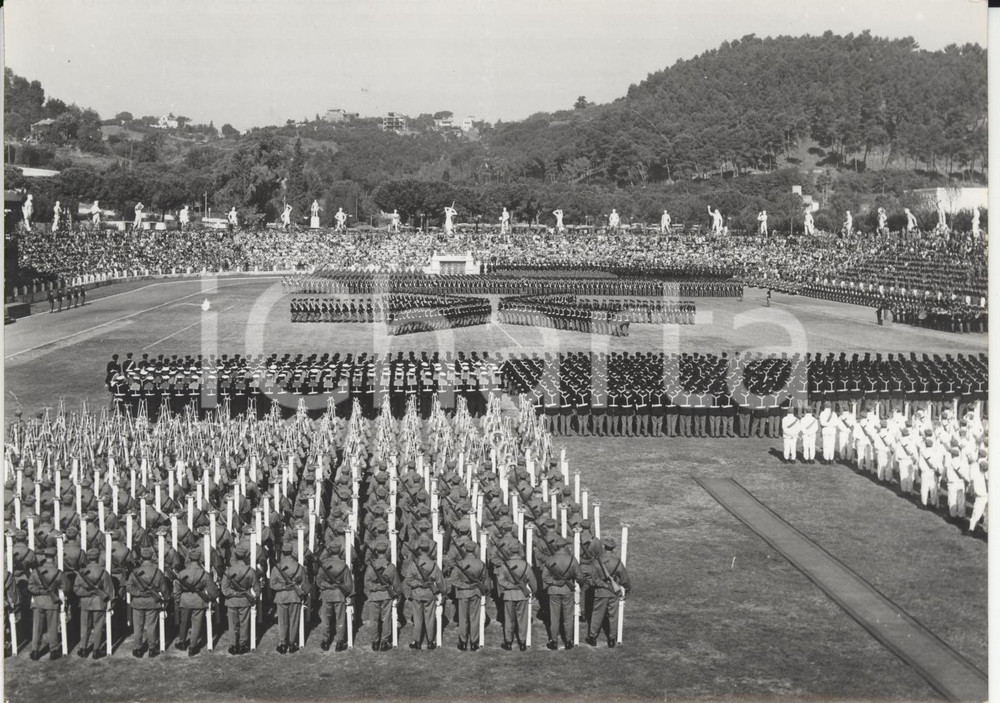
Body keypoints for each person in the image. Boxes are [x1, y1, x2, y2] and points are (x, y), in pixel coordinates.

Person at [173, 541, 219, 656]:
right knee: (196, 624)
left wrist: (178, 600)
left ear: (189, 558)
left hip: (185, 600)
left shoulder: (182, 573)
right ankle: (192, 647)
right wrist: (213, 597)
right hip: (199, 600)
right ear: (199, 559)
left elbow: (177, 589)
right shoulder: (204, 574)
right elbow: (212, 590)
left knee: (184, 622)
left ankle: (182, 642)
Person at [585, 537, 629, 648]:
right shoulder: (617, 562)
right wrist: (627, 589)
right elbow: (624, 579)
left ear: (604, 547)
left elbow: (594, 578)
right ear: (613, 548)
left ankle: (592, 637)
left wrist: (603, 585)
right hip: (613, 592)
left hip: (600, 592)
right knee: (613, 616)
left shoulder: (597, 560)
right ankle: (612, 639)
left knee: (597, 614)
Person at [403, 535, 444, 650]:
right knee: (430, 618)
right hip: (430, 594)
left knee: (417, 619)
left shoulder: (413, 564)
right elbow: (440, 581)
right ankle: (430, 642)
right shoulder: (433, 564)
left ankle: (417, 641)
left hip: (417, 593)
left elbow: (408, 580)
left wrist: (418, 583)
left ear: (420, 549)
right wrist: (442, 592)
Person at [126, 545, 168, 658]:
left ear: (141, 558)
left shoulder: (135, 571)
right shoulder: (157, 572)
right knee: (151, 626)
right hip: (152, 602)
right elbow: (164, 589)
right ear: (151, 557)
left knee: (138, 627)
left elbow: (128, 587)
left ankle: (138, 648)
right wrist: (166, 600)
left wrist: (139, 593)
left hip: (138, 602)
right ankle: (152, 649)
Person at [73, 547, 114, 660]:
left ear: (88, 558)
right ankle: (96, 650)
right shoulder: (103, 572)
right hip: (99, 602)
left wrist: (86, 593)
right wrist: (109, 602)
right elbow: (108, 589)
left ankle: (83, 649)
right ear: (98, 557)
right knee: (98, 627)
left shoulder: (82, 572)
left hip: (85, 603)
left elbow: (76, 588)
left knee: (84, 626)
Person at [27, 546, 67, 660]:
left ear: (45, 556)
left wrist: (40, 591)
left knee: (37, 628)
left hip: (38, 601)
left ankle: (35, 651)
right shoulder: (58, 572)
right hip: (51, 602)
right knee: (52, 627)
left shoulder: (36, 571)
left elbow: (30, 587)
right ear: (54, 557)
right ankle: (54, 650)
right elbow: (64, 587)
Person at [270, 540, 309, 654]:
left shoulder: (277, 567)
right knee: (294, 621)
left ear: (282, 552)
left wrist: (283, 586)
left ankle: (283, 644)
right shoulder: (298, 566)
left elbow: (272, 584)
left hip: (281, 597)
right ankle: (292, 643)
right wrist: (304, 593)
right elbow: (305, 583)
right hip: (294, 596)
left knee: (282, 622)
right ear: (291, 552)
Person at [314, 541, 353, 652]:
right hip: (339, 595)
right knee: (340, 619)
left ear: (329, 551)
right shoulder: (343, 565)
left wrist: (328, 586)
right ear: (340, 551)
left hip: (326, 595)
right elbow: (349, 585)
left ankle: (325, 641)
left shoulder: (324, 564)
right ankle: (340, 642)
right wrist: (340, 588)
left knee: (326, 619)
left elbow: (318, 581)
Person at [364, 537, 401, 651]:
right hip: (386, 595)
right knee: (386, 619)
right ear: (386, 551)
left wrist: (376, 588)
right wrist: (397, 595)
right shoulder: (391, 566)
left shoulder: (371, 566)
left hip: (374, 596)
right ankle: (384, 642)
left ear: (376, 551)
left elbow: (367, 582)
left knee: (374, 620)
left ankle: (375, 642)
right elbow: (396, 584)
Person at [450, 539, 487, 651]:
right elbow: (485, 579)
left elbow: (454, 580)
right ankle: (474, 643)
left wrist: (465, 586)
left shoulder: (460, 564)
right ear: (474, 550)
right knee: (474, 618)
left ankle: (463, 642)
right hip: (476, 592)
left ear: (465, 550)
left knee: (463, 618)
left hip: (463, 593)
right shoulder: (480, 563)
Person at [496, 545, 536, 651]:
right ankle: (522, 643)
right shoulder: (525, 565)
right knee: (523, 619)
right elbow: (532, 581)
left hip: (509, 594)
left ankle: (508, 642)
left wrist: (511, 586)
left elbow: (501, 581)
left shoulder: (505, 565)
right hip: (522, 595)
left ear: (510, 552)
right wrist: (533, 591)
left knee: (509, 619)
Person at [542, 537, 579, 650]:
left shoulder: (550, 559)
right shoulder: (572, 559)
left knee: (554, 617)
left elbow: (544, 576)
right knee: (568, 617)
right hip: (567, 589)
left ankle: (554, 641)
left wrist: (555, 582)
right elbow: (579, 575)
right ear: (566, 546)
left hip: (554, 590)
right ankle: (568, 641)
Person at [220, 544, 257, 655]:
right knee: (244, 624)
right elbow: (256, 588)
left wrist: (234, 593)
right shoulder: (250, 570)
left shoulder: (229, 570)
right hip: (245, 600)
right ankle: (242, 645)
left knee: (232, 625)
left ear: (235, 556)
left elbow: (224, 590)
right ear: (245, 557)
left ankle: (233, 645)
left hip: (232, 601)